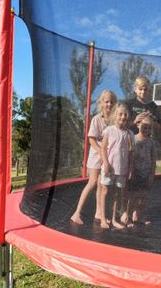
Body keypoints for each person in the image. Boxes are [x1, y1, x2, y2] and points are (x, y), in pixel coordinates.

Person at [70, 90, 117, 225]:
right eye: (106, 101)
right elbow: (92, 140)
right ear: (101, 103)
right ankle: (76, 213)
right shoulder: (97, 119)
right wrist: (101, 153)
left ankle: (98, 213)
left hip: (107, 156)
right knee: (92, 181)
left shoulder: (114, 120)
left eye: (112, 102)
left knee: (101, 185)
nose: (109, 104)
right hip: (96, 155)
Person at [99, 103, 134, 229]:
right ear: (115, 115)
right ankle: (103, 218)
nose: (123, 117)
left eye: (125, 114)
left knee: (116, 194)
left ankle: (113, 219)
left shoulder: (129, 134)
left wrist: (130, 169)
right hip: (109, 168)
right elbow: (103, 148)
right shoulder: (109, 130)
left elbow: (130, 153)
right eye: (120, 114)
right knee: (105, 191)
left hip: (121, 169)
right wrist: (106, 163)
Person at [125, 116, 156, 226]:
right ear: (138, 125)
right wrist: (130, 171)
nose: (146, 130)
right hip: (135, 172)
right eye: (144, 127)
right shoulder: (133, 139)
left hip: (146, 173)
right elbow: (130, 157)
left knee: (143, 197)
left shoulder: (151, 142)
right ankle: (127, 216)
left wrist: (152, 174)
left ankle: (138, 216)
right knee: (133, 197)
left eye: (149, 128)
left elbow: (153, 160)